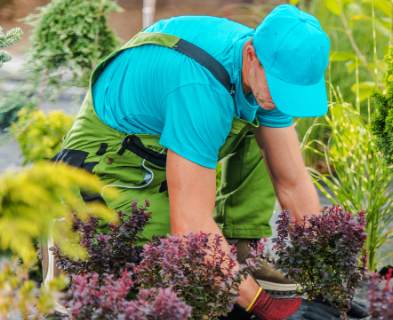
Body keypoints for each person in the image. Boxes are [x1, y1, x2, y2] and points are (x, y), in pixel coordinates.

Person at [47, 4, 362, 320]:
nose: (283, 100)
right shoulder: (200, 86)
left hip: (166, 145)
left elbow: (292, 182)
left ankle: (239, 249)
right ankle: (66, 237)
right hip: (110, 159)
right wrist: (270, 308)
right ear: (251, 54)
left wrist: (329, 286)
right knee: (162, 269)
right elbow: (190, 230)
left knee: (266, 132)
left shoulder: (270, 73)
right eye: (280, 88)